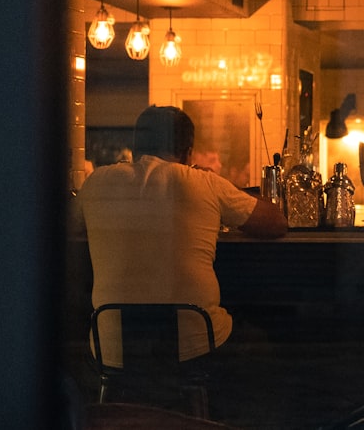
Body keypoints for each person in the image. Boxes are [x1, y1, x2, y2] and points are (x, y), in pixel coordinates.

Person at [71, 105, 287, 372]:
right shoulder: (205, 182)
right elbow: (276, 222)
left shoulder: (96, 183)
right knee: (262, 344)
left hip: (112, 348)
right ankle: (210, 412)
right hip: (195, 344)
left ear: (136, 147)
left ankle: (121, 408)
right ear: (188, 152)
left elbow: (68, 226)